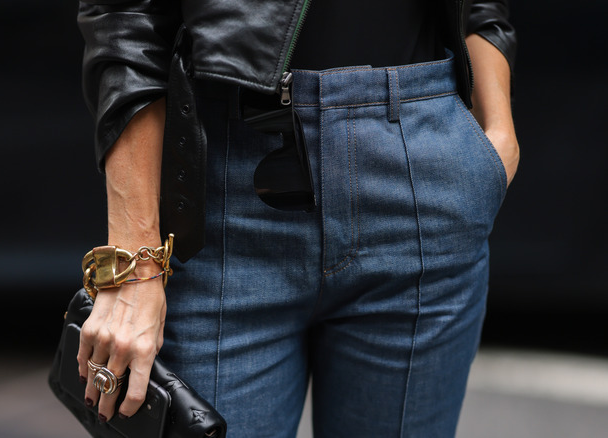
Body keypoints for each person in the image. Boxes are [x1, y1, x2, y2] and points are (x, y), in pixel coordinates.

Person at [75, 0, 518, 436]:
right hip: (223, 183)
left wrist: (499, 129)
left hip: (424, 160)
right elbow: (125, 13)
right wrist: (134, 264)